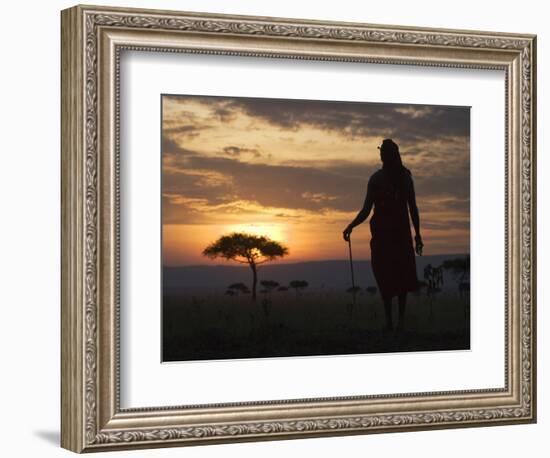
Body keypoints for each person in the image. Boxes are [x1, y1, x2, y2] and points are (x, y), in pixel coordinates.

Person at [343, 139, 423, 331]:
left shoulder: (383, 179)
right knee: (394, 277)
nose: (380, 155)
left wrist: (418, 235)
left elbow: (367, 210)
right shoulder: (401, 178)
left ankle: (393, 323)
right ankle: (396, 322)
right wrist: (351, 225)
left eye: (382, 153)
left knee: (390, 277)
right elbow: (412, 209)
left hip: (388, 237)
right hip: (392, 236)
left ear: (386, 156)